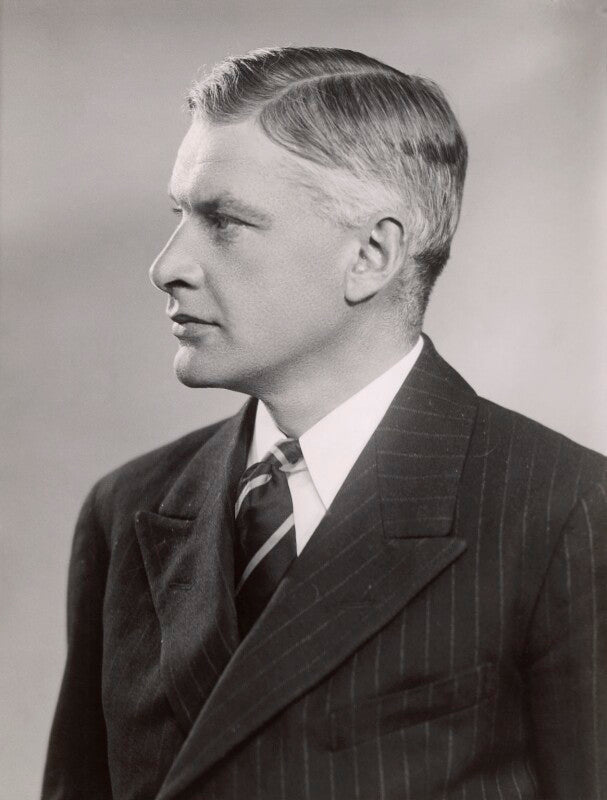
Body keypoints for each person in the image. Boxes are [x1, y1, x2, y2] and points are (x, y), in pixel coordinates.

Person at [42, 46, 606, 800]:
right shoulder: (128, 510)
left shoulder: (564, 512)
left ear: (371, 254)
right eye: (180, 215)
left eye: (225, 222)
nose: (167, 265)